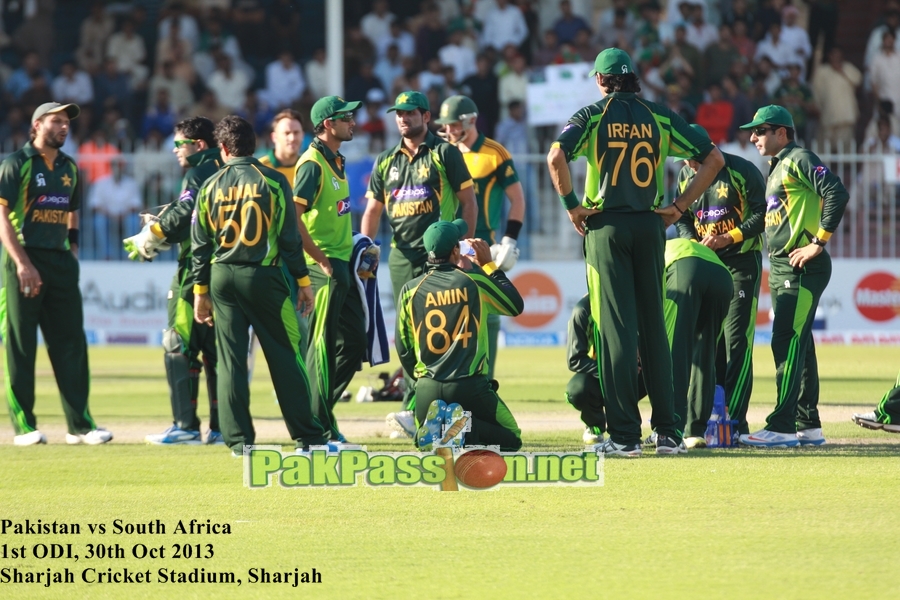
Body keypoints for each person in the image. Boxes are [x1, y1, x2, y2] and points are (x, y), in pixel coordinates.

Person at [546, 48, 724, 457]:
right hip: (650, 225)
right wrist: (680, 207)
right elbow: (712, 159)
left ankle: (625, 436)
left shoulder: (592, 115)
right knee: (654, 331)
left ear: (601, 80)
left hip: (606, 227)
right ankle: (668, 433)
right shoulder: (659, 115)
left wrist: (572, 204)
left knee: (615, 333)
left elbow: (556, 155)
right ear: (633, 79)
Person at [190, 116, 330, 455]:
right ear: (254, 144)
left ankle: (237, 441)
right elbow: (289, 239)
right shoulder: (272, 180)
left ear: (222, 148)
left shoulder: (210, 185)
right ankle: (309, 439)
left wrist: (200, 292)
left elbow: (199, 243)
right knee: (285, 356)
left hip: (222, 277)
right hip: (263, 276)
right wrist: (303, 281)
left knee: (231, 360)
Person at [360, 90, 477, 436]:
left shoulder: (445, 154)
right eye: (399, 113)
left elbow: (468, 202)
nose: (403, 118)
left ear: (426, 117)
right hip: (400, 256)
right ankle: (413, 409)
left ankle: (439, 411)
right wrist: (364, 249)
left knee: (439, 335)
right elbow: (372, 211)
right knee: (408, 336)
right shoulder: (385, 160)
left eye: (410, 113)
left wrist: (464, 248)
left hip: (439, 258)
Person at [0, 102, 112, 446]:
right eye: (57, 121)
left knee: (71, 344)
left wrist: (73, 249)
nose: (64, 127)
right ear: (37, 125)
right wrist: (22, 263)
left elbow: (71, 211)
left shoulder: (69, 166)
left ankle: (81, 425)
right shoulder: (16, 164)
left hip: (60, 261)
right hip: (24, 259)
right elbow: (1, 217)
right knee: (21, 346)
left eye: (66, 122)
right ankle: (25, 427)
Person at [738, 105, 849, 448]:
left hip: (801, 266)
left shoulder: (799, 158)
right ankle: (807, 424)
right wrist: (730, 236)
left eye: (761, 130)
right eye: (753, 131)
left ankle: (783, 425)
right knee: (800, 343)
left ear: (781, 132)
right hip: (785, 266)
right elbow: (767, 220)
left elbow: (836, 192)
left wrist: (818, 242)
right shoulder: (776, 166)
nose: (753, 136)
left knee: (785, 341)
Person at [124, 117, 223, 445]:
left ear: (199, 145)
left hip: (194, 272)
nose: (175, 149)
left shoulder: (197, 172)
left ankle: (186, 426)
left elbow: (185, 215)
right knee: (217, 353)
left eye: (180, 143)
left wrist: (152, 235)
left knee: (177, 344)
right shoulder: (225, 168)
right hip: (224, 271)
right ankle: (223, 428)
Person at [396, 219, 523, 451]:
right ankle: (460, 430)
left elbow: (403, 348)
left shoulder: (410, 290)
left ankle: (438, 429)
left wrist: (422, 381)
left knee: (429, 444)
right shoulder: (474, 283)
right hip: (469, 386)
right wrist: (489, 265)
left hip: (426, 388)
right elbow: (515, 305)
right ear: (456, 250)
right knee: (512, 438)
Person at [674, 124, 766, 438]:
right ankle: (708, 418)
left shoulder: (741, 170)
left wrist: (729, 237)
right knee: (708, 345)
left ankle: (737, 425)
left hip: (741, 261)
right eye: (683, 159)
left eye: (692, 158)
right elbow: (683, 216)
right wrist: (693, 243)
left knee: (736, 341)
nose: (688, 165)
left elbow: (763, 214)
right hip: (707, 262)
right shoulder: (685, 175)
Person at [434, 94, 526, 380]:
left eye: (452, 124)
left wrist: (510, 239)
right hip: (446, 240)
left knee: (489, 309)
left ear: (470, 121)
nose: (447, 130)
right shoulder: (441, 151)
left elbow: (518, 200)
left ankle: (487, 380)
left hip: (480, 241)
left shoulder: (494, 152)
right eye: (445, 125)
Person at [293, 96, 367, 442]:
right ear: (326, 124)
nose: (352, 122)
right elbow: (294, 221)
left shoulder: (335, 160)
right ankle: (318, 427)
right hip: (321, 267)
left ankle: (317, 413)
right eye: (345, 117)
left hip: (342, 264)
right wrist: (320, 261)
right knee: (320, 346)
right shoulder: (311, 164)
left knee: (353, 341)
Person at [662, 238, 734, 447]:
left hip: (685, 269)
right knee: (705, 353)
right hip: (722, 276)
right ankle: (695, 432)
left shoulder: (650, 251)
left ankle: (670, 430)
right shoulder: (672, 244)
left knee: (674, 351)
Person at [565, 295, 606, 445]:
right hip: (601, 374)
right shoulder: (582, 310)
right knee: (577, 390)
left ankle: (664, 431)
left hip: (639, 372)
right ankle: (594, 425)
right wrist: (611, 371)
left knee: (667, 373)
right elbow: (574, 359)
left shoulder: (641, 299)